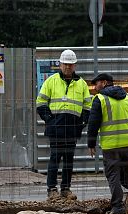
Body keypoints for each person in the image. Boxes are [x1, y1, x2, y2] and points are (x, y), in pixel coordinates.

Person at [36, 49, 92, 200]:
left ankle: (65, 189)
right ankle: (52, 190)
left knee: (68, 159)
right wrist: (50, 120)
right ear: (60, 64)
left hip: (72, 129)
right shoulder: (51, 81)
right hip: (56, 129)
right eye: (65, 64)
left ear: (75, 66)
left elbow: (88, 106)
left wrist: (82, 123)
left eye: (71, 64)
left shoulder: (81, 84)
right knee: (55, 157)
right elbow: (40, 103)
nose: (68, 67)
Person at [86, 73, 128, 214]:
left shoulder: (100, 99)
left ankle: (118, 207)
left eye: (96, 84)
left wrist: (91, 143)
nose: (95, 87)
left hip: (111, 146)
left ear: (103, 83)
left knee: (113, 175)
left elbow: (93, 123)